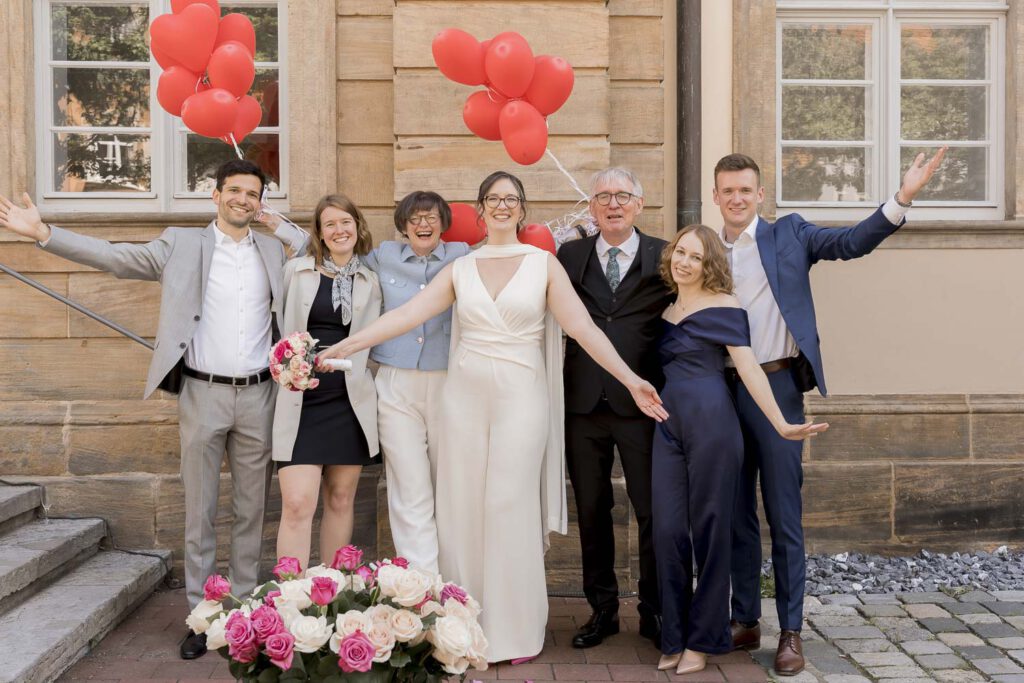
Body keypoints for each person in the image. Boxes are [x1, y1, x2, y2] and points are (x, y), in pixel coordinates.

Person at [318, 171, 668, 663]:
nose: (502, 206)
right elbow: (408, 315)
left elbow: (584, 329)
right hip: (463, 396)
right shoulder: (462, 267)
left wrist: (631, 379)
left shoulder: (543, 264)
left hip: (522, 396)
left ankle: (515, 629)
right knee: (463, 507)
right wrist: (346, 346)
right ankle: (462, 624)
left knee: (507, 502)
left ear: (522, 209)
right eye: (492, 199)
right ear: (480, 210)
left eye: (511, 198)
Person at [0, 160, 308, 660]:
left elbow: (324, 250)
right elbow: (117, 257)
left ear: (262, 201)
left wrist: (281, 225)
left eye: (253, 194)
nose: (243, 201)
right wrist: (45, 234)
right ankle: (204, 617)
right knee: (200, 512)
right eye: (235, 191)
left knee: (253, 511)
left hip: (260, 396)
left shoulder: (274, 249)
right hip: (202, 394)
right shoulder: (181, 244)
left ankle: (246, 612)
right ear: (215, 195)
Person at [716, 149, 946, 676]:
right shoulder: (705, 248)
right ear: (716, 196)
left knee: (784, 515)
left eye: (744, 189)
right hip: (721, 394)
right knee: (734, 513)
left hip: (776, 387)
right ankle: (743, 618)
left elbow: (850, 243)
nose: (736, 198)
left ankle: (791, 632)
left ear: (759, 194)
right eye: (727, 190)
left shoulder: (789, 235)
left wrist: (902, 197)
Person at [652, 224, 827, 676]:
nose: (684, 261)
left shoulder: (727, 306)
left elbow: (748, 367)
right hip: (668, 428)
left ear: (708, 263)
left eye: (694, 255)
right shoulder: (668, 307)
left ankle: (703, 639)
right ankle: (674, 634)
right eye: (679, 252)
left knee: (712, 531)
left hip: (713, 425)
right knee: (669, 532)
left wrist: (781, 423)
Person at [555, 167, 673, 649]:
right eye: (602, 196)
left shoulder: (664, 255)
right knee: (592, 508)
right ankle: (601, 609)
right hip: (582, 403)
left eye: (623, 195)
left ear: (639, 204)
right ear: (591, 208)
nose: (613, 204)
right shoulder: (569, 255)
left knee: (652, 510)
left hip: (644, 405)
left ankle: (654, 609)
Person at [271, 193, 381, 571]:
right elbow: (275, 327)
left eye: (345, 222)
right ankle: (291, 601)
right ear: (318, 232)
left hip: (349, 401)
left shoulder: (370, 280)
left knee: (340, 499)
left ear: (357, 226)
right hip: (302, 398)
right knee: (298, 502)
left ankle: (330, 594)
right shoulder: (297, 271)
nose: (339, 230)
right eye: (330, 224)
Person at [362, 191, 470, 573]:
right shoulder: (382, 257)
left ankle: (454, 581)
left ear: (444, 222)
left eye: (431, 217)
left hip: (449, 382)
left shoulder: (465, 257)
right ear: (403, 224)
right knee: (409, 486)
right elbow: (333, 258)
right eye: (415, 218)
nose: (423, 225)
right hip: (396, 384)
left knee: (450, 483)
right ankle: (421, 586)